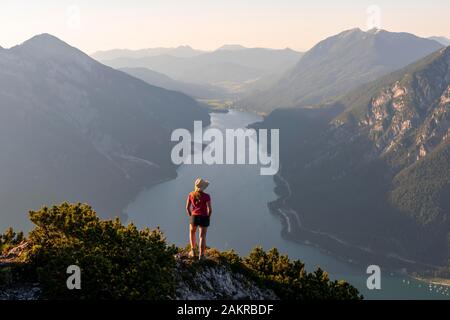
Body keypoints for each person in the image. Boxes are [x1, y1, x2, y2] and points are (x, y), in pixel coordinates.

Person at [185, 178, 212, 260]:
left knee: (192, 233)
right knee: (202, 236)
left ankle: (193, 251)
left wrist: (191, 216)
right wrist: (208, 217)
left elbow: (187, 208)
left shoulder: (191, 194)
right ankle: (202, 255)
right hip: (204, 217)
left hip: (194, 216)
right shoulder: (207, 196)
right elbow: (210, 209)